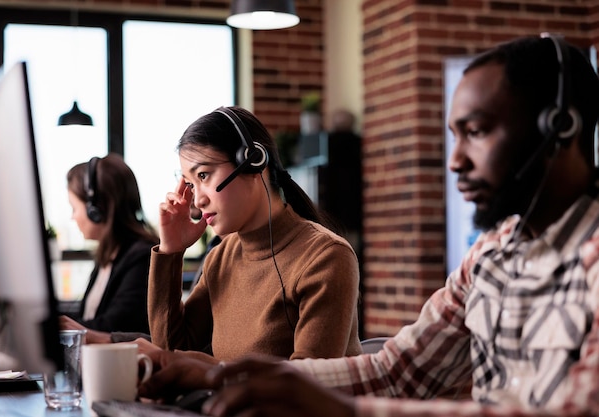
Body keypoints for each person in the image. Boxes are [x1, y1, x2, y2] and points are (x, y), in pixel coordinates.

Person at [138, 35, 599, 417]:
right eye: (453, 137)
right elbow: (399, 372)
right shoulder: (490, 257)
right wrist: (227, 376)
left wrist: (343, 410)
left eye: (476, 132)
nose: (455, 162)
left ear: (558, 126)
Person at [147, 105, 361, 363]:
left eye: (204, 175)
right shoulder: (221, 258)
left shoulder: (325, 257)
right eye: (191, 184)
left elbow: (305, 385)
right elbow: (171, 351)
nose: (197, 200)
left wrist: (204, 369)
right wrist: (171, 252)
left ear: (252, 161)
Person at [59, 153, 159, 335]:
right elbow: (91, 317)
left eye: (74, 208)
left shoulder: (142, 255)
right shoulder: (109, 254)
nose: (72, 217)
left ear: (96, 210)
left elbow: (114, 327)